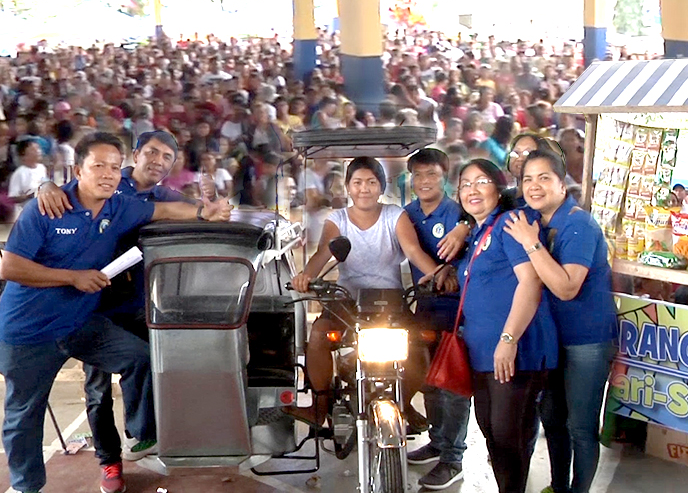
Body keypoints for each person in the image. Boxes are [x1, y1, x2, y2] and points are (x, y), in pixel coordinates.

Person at [0, 132, 231, 493]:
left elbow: (168, 209)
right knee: (24, 415)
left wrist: (207, 211)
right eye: (98, 166)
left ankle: (141, 438)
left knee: (139, 358)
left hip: (81, 322)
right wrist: (72, 277)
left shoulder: (120, 205)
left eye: (112, 166)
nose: (108, 174)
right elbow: (9, 268)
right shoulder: (47, 208)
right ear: (78, 169)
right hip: (29, 332)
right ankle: (26, 486)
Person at [287, 157, 451, 430]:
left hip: (391, 304)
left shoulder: (394, 216)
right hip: (347, 303)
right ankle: (320, 405)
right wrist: (306, 277)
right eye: (358, 182)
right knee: (318, 336)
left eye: (372, 182)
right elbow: (322, 254)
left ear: (381, 186)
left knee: (419, 348)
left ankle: (405, 402)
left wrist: (439, 274)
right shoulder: (337, 219)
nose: (365, 188)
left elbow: (413, 251)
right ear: (348, 187)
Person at [503, 149, 616, 493]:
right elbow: (492, 212)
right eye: (527, 179)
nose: (534, 186)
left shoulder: (578, 224)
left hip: (588, 341)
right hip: (551, 338)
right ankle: (558, 486)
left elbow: (566, 288)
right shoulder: (531, 216)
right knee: (552, 418)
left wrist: (531, 243)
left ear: (562, 184)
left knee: (580, 426)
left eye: (544, 178)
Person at [455, 158, 557, 493]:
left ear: (499, 189)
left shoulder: (512, 222)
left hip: (516, 351)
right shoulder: (477, 232)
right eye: (465, 183)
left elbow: (531, 283)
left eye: (481, 181)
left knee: (508, 437)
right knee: (492, 434)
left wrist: (509, 339)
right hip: (481, 352)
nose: (473, 189)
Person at [402, 149, 471, 489]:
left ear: (445, 177)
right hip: (423, 309)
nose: (424, 182)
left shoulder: (461, 214)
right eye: (418, 176)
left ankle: (453, 458)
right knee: (429, 380)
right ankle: (437, 441)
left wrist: (452, 270)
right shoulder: (408, 214)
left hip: (457, 311)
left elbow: (474, 253)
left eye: (431, 174)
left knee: (453, 384)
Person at [8, 139, 48, 219]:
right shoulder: (19, 173)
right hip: (24, 213)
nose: (39, 151)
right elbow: (13, 197)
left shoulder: (42, 168)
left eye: (38, 148)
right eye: (34, 149)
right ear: (24, 154)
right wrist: (29, 195)